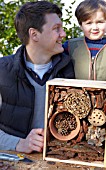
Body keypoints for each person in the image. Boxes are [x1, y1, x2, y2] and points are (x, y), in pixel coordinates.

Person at [0, 1, 74, 153]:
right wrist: (19, 143)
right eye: (56, 29)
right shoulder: (2, 71)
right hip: (14, 162)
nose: (63, 34)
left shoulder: (70, 68)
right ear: (34, 34)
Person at [63, 0, 106, 156]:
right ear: (80, 24)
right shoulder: (71, 46)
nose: (95, 27)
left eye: (100, 22)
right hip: (79, 104)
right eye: (88, 22)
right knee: (81, 140)